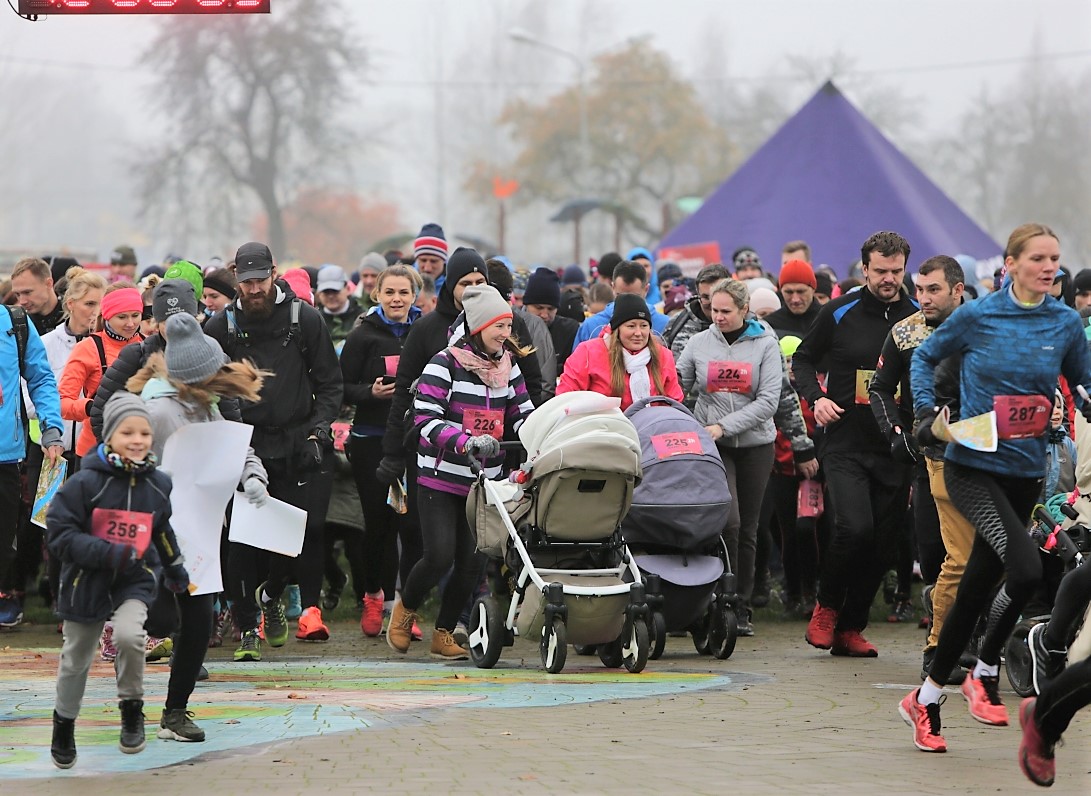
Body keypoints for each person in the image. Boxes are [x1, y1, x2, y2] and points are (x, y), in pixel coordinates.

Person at [901, 222, 1091, 754]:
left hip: (1026, 470)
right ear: (1010, 264)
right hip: (971, 466)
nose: (1050, 266)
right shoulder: (980, 315)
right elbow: (924, 356)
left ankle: (927, 698)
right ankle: (983, 674)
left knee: (977, 588)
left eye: (1055, 258)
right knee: (1027, 566)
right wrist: (923, 411)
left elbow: (1082, 377)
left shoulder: (1064, 323)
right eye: (1038, 258)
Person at [128, 313, 268, 742]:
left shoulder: (207, 407)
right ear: (189, 378)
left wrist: (254, 473)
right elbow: (125, 463)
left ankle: (175, 712)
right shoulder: (157, 411)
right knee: (160, 619)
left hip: (201, 537)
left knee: (199, 624)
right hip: (156, 537)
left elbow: (231, 446)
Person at [204, 242, 343, 659]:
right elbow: (206, 388)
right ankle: (248, 626)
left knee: (294, 535)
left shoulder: (306, 319)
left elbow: (331, 385)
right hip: (243, 441)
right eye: (246, 282)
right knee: (242, 541)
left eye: (260, 280)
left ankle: (273, 596)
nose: (254, 289)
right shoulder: (220, 327)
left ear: (274, 274)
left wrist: (319, 431)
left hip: (298, 439)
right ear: (236, 279)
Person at [387, 285, 534, 659]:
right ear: (478, 326)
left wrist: (541, 437)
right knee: (439, 556)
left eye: (507, 326)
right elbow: (425, 420)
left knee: (472, 564)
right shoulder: (444, 363)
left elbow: (522, 414)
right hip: (441, 476)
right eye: (498, 327)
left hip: (485, 482)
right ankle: (405, 610)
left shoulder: (508, 366)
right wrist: (464, 441)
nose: (504, 334)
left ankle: (444, 632)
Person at [792, 231, 919, 658]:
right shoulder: (838, 311)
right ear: (864, 269)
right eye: (880, 271)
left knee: (883, 541)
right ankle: (826, 608)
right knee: (853, 529)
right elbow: (804, 360)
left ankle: (851, 626)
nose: (888, 279)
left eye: (896, 271)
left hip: (895, 445)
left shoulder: (917, 317)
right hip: (845, 441)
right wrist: (818, 398)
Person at [46, 392, 189, 768]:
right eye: (128, 432)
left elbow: (161, 531)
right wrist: (106, 552)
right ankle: (64, 723)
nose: (138, 440)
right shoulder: (84, 484)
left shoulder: (158, 484)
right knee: (76, 657)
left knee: (130, 635)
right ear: (109, 436)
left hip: (134, 578)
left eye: (144, 433)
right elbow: (59, 534)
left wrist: (175, 570)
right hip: (84, 579)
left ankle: (132, 710)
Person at [869, 255, 969, 682]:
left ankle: (962, 639)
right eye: (920, 289)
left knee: (971, 556)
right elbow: (879, 388)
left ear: (958, 290)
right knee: (934, 555)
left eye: (933, 290)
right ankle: (942, 611)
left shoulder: (983, 328)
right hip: (927, 455)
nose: (923, 298)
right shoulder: (905, 331)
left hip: (983, 456)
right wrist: (896, 433)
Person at [676, 278, 783, 635]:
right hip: (714, 446)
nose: (717, 317)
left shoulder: (766, 344)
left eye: (725, 311)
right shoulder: (698, 343)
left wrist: (723, 425)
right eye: (713, 310)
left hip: (755, 446)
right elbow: (678, 386)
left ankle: (741, 606)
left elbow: (768, 402)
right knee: (729, 522)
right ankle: (713, 600)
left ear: (744, 311)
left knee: (749, 528)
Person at [340, 264, 424, 637]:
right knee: (379, 524)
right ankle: (374, 596)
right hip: (371, 439)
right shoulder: (362, 336)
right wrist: (368, 393)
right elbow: (339, 387)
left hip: (414, 441)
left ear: (414, 295)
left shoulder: (424, 331)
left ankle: (404, 610)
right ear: (377, 295)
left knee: (412, 526)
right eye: (389, 292)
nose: (396, 299)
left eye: (403, 292)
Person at [0, 297, 65, 629]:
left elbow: (41, 378)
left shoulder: (16, 324)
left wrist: (52, 429)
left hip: (6, 453)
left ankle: (5, 594)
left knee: (5, 541)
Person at [58, 283, 145, 460]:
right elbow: (63, 403)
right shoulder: (88, 348)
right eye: (122, 317)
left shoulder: (149, 344)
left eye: (135, 315)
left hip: (138, 449)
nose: (130, 323)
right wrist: (92, 408)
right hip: (94, 450)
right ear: (107, 317)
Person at [558, 293, 683, 410]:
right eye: (631, 326)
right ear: (617, 329)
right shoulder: (587, 353)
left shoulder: (663, 355)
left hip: (651, 428)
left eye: (644, 326)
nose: (638, 333)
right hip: (602, 428)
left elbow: (674, 403)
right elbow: (567, 398)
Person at [571, 260, 670, 349]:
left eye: (635, 297)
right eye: (621, 296)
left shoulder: (666, 325)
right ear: (613, 287)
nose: (627, 304)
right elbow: (577, 366)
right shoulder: (591, 326)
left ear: (646, 289)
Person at [664, 263, 732, 357]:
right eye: (705, 297)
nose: (713, 303)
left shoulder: (747, 325)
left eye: (716, 295)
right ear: (698, 295)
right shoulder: (677, 323)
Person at [522, 266, 581, 373]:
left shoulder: (569, 331)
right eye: (538, 308)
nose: (544, 314)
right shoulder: (512, 327)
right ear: (526, 305)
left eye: (550, 309)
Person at [765, 260, 822, 339]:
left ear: (813, 289)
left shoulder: (830, 320)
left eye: (801, 291)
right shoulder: (769, 325)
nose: (795, 299)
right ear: (781, 291)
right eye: (789, 292)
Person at [9, 256, 65, 335]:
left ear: (48, 284)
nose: (22, 301)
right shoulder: (17, 327)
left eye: (27, 292)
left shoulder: (75, 320)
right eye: (17, 294)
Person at [316, 264, 364, 347]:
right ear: (319, 294)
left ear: (348, 289)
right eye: (326, 292)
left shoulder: (362, 316)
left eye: (335, 291)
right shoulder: (314, 319)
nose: (330, 296)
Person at [413, 222, 449, 290]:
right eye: (423, 260)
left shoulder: (454, 288)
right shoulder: (404, 283)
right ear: (416, 259)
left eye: (433, 261)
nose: (427, 268)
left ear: (444, 260)